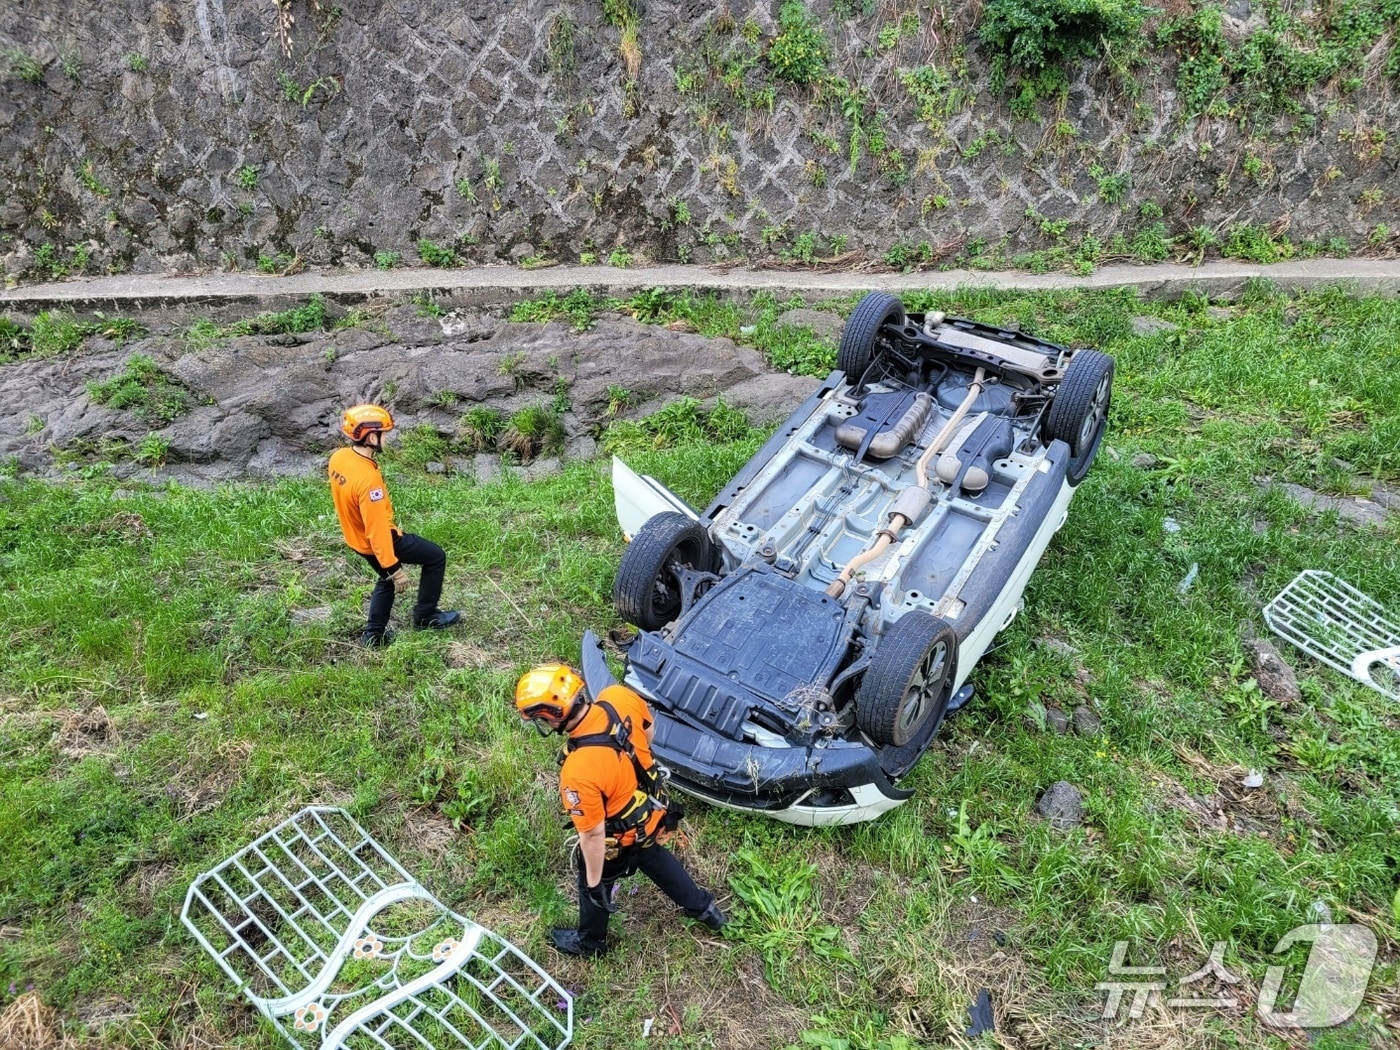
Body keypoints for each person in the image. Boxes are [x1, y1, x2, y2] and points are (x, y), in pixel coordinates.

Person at [514, 663, 726, 957]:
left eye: (541, 719)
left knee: (594, 877)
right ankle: (706, 910)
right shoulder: (617, 696)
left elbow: (592, 836)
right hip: (650, 811)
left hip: (619, 837)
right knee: (653, 856)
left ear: (554, 714)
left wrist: (593, 884)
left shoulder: (578, 772)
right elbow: (648, 732)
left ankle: (591, 943)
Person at [328, 404, 460, 647]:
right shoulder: (368, 482)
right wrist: (394, 568)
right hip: (378, 542)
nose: (387, 438)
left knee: (385, 579)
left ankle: (373, 635)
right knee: (434, 557)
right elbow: (377, 530)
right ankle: (426, 616)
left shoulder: (340, 457)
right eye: (384, 434)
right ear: (371, 438)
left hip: (354, 537)